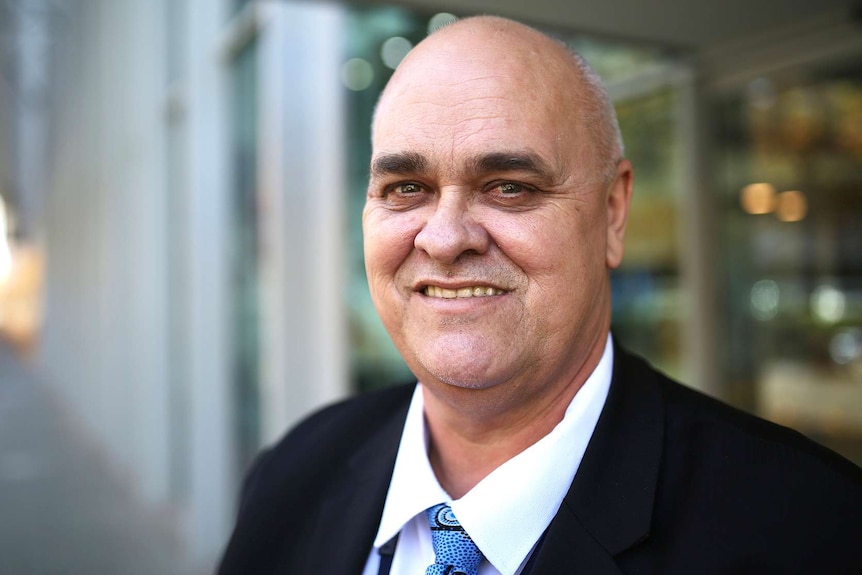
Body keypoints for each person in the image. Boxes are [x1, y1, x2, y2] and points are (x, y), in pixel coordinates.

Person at [217, 15, 862, 575]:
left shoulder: (811, 535)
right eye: (406, 187)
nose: (444, 239)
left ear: (612, 212)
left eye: (508, 187)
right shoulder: (291, 475)